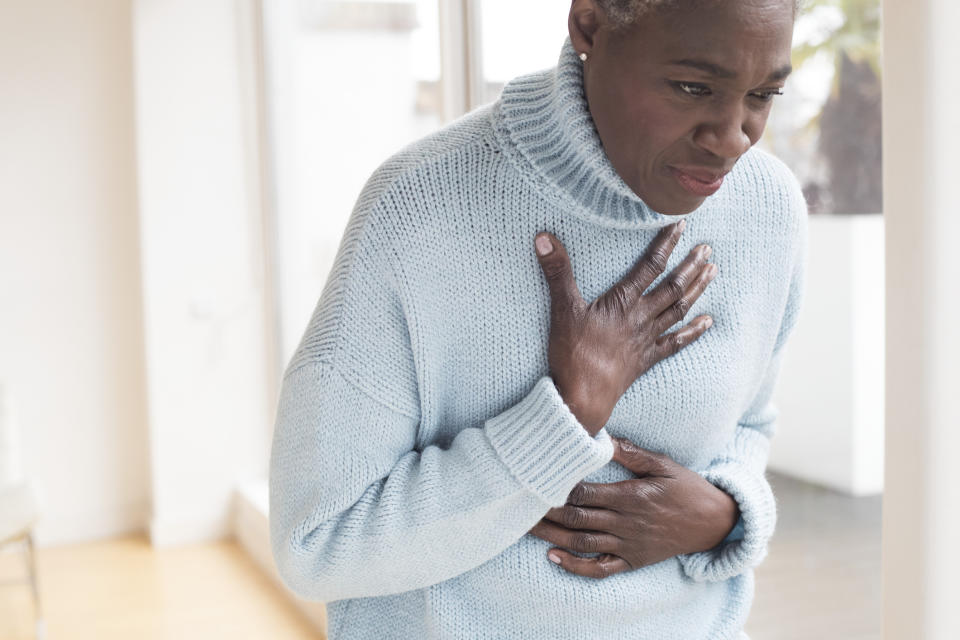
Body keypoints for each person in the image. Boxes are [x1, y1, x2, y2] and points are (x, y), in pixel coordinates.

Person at [269, 0, 807, 638]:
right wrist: (566, 419)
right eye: (694, 87)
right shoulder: (417, 210)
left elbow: (749, 424)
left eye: (764, 94)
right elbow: (317, 541)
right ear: (588, 26)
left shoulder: (768, 210)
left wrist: (725, 515)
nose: (732, 137)